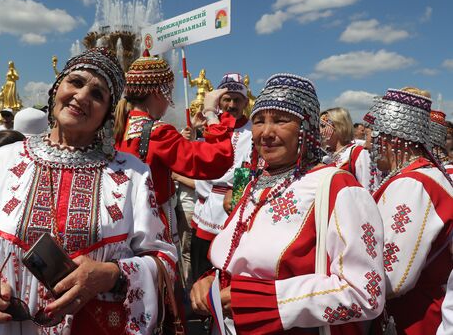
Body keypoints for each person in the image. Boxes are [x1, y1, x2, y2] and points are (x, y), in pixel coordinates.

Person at [0, 47, 177, 335]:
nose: (82, 96)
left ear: (107, 115)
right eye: (75, 82)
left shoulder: (132, 173)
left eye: (98, 94)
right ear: (56, 88)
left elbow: (164, 262)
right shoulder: (5, 159)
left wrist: (111, 274)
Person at [190, 73, 385, 335]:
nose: (266, 132)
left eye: (281, 120)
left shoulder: (338, 188)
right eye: (258, 121)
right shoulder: (255, 183)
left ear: (305, 128)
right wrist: (211, 282)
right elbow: (240, 260)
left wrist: (257, 301)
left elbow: (366, 295)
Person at [114, 51, 235, 247]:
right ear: (156, 92)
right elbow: (217, 159)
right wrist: (212, 114)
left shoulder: (120, 127)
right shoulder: (159, 132)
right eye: (167, 92)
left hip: (124, 225)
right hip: (152, 229)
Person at [369, 87, 453, 335]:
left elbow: (393, 278)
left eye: (374, 136)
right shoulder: (415, 177)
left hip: (414, 321)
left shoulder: (412, 184)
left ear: (391, 140)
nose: (368, 144)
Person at [191, 73, 252, 282]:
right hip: (208, 207)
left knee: (229, 265)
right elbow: (201, 165)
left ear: (245, 102)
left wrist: (235, 190)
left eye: (237, 99)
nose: (231, 104)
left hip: (236, 206)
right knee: (201, 265)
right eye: (227, 99)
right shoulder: (211, 127)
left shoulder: (253, 130)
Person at [320, 107, 373, 190]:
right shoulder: (325, 159)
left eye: (323, 126)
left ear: (338, 127)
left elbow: (368, 189)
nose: (320, 131)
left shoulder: (357, 153)